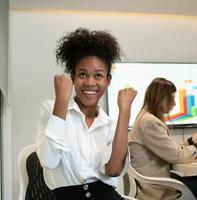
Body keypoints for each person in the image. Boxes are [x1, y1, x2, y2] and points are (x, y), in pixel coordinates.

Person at [35, 27, 137, 200]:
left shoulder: (109, 125)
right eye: (82, 74)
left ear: (107, 81)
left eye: (98, 76)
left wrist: (125, 111)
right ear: (72, 78)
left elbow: (113, 170)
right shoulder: (52, 109)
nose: (90, 83)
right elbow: (49, 161)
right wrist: (61, 99)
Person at [128, 77, 197, 200]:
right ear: (162, 98)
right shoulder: (149, 122)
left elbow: (170, 150)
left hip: (156, 183)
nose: (174, 103)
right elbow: (177, 156)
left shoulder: (145, 118)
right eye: (172, 98)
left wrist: (194, 139)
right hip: (158, 190)